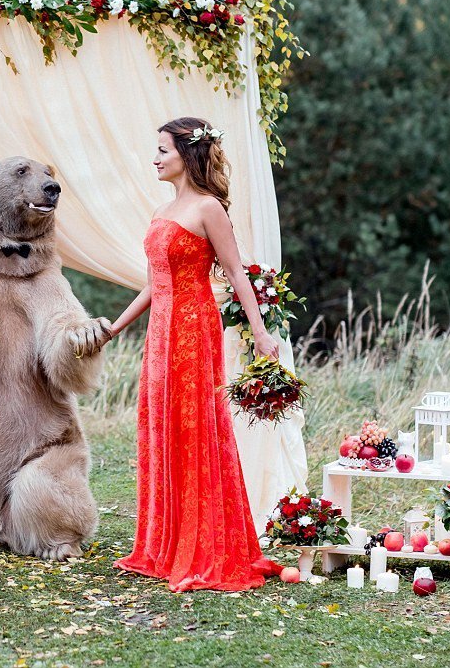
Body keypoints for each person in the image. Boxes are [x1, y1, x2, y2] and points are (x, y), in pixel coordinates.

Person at [110, 117, 283, 591]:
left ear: (186, 154)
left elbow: (236, 273)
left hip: (194, 328)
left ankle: (203, 546)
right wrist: (115, 328)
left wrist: (261, 333)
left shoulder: (209, 209)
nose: (155, 158)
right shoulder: (160, 212)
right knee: (163, 424)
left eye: (162, 149)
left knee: (195, 426)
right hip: (161, 333)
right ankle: (164, 543)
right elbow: (153, 285)